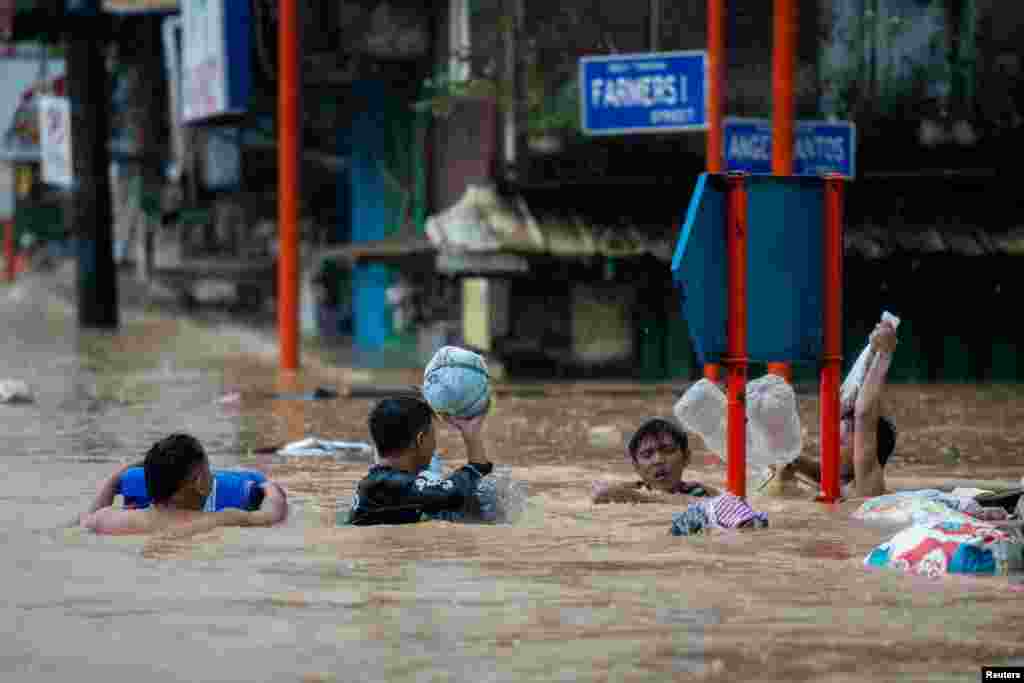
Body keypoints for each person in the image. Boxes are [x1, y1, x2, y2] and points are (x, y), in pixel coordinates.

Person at [761, 317, 898, 498]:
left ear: (869, 448)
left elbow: (864, 414)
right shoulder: (836, 479)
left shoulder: (865, 482)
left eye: (842, 442)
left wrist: (883, 354)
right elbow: (821, 471)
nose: (836, 436)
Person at [79, 433, 288, 535]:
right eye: (208, 471)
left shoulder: (108, 519)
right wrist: (271, 489)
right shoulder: (220, 520)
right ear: (199, 482)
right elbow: (273, 516)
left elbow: (85, 521)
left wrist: (113, 480)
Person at [346, 392, 493, 525]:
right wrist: (471, 435)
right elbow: (453, 494)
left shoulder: (382, 483)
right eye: (433, 436)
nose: (435, 445)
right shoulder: (383, 485)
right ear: (420, 439)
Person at [591, 417, 720, 504]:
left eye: (668, 450)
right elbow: (598, 494)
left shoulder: (701, 492)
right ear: (636, 467)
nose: (658, 460)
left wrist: (640, 498)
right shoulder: (631, 490)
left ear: (686, 458)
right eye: (647, 455)